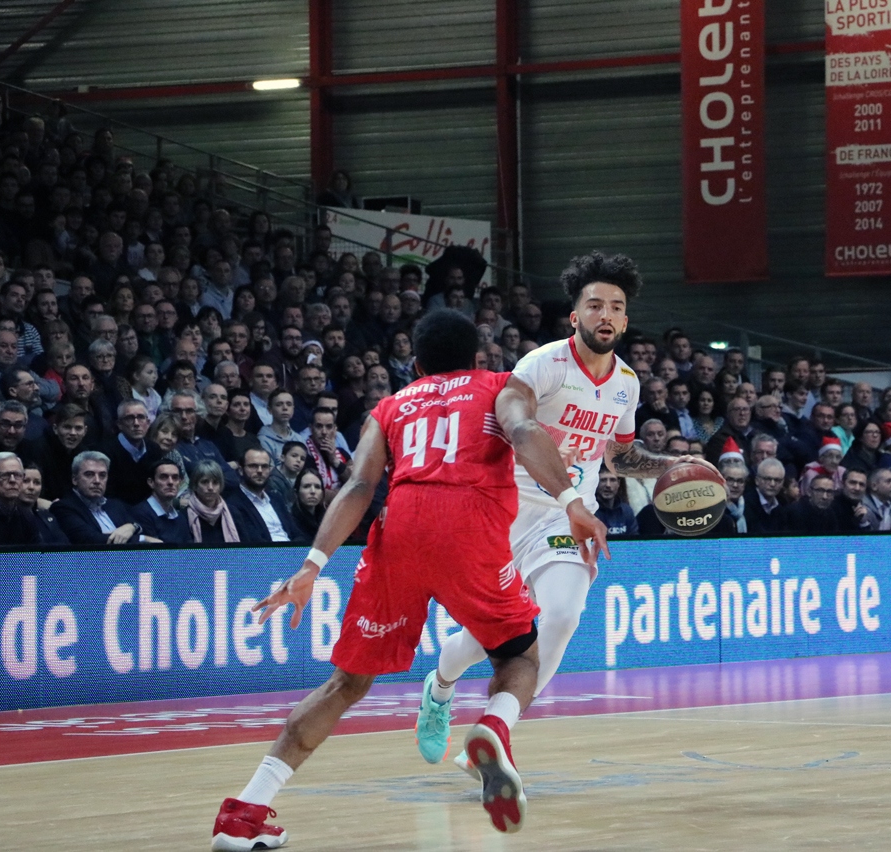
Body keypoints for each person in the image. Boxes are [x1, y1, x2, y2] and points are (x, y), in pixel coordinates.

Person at [211, 308, 608, 848]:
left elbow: (356, 487)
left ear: (416, 363)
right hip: (468, 528)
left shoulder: (391, 405)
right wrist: (572, 501)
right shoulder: (499, 385)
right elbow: (523, 429)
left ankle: (243, 814)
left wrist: (312, 565)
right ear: (477, 358)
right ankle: (491, 728)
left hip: (398, 529)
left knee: (345, 684)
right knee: (519, 656)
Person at [426, 252, 704, 776]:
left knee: (562, 615)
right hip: (503, 506)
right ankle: (439, 687)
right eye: (594, 304)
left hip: (564, 517)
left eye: (615, 307)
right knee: (495, 631)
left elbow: (618, 455)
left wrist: (673, 464)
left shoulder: (626, 383)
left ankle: (493, 734)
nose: (605, 314)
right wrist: (545, 440)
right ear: (575, 316)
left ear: (624, 321)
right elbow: (510, 419)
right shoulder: (542, 364)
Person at [53, 451, 155, 544]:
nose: (97, 481)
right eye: (89, 474)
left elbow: (143, 526)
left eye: (102, 475)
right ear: (75, 479)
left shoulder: (116, 505)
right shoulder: (63, 508)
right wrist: (143, 539)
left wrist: (132, 527)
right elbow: (91, 540)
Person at [227, 448, 305, 544]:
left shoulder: (276, 498)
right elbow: (254, 543)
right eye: (253, 466)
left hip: (291, 554)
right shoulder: (233, 504)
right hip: (265, 556)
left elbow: (296, 533)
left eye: (264, 466)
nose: (260, 471)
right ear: (241, 470)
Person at [129, 457, 191, 544]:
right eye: (164, 477)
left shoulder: (181, 518)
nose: (170, 482)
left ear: (180, 482)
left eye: (175, 477)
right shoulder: (140, 514)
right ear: (151, 483)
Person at [19, 460, 70, 544]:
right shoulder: (7, 518)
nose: (31, 487)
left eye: (37, 482)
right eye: (25, 481)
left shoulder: (48, 517)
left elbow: (65, 547)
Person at [746, 457, 789, 534]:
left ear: (783, 483)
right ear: (757, 480)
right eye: (767, 479)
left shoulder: (783, 505)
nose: (772, 484)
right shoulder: (746, 504)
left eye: (777, 480)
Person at [594, 465, 639, 536]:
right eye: (603, 480)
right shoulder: (589, 512)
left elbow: (634, 541)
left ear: (618, 483)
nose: (608, 485)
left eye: (612, 480)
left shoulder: (627, 511)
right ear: (596, 483)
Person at [288, 468, 326, 540]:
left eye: (317, 487)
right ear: (296, 492)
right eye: (307, 486)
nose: (313, 491)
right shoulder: (290, 520)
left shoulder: (327, 518)